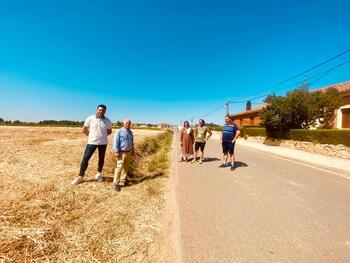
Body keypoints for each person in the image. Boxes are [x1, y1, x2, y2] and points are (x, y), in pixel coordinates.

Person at [71, 104, 112, 185]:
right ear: (97, 110)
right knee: (85, 158)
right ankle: (80, 176)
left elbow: (109, 131)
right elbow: (84, 130)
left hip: (103, 143)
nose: (101, 112)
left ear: (105, 112)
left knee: (101, 158)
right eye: (99, 110)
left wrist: (102, 136)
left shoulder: (107, 121)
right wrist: (91, 136)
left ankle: (99, 174)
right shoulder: (90, 118)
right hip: (91, 142)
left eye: (103, 111)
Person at [112, 119, 134, 192]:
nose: (128, 124)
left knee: (126, 167)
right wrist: (116, 151)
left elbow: (132, 142)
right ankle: (115, 183)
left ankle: (123, 180)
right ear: (123, 124)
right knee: (119, 167)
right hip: (121, 152)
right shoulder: (119, 131)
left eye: (129, 123)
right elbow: (116, 142)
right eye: (126, 123)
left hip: (128, 152)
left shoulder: (130, 132)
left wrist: (133, 150)